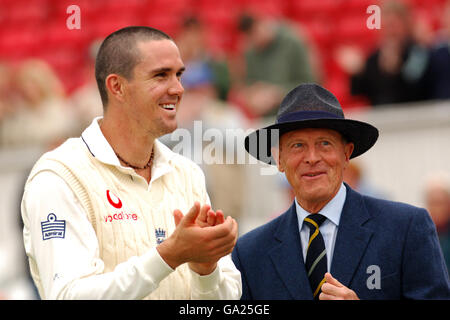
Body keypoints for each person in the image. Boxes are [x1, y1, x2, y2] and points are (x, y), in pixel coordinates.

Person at [21, 26, 241, 300]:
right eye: (161, 75)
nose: (178, 89)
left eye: (178, 75)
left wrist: (206, 270)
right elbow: (70, 295)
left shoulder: (187, 173)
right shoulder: (60, 177)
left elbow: (228, 299)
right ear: (117, 87)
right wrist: (170, 255)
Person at [232, 83, 450, 299]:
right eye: (297, 145)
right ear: (279, 160)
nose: (312, 158)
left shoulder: (406, 228)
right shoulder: (250, 252)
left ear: (347, 154)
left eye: (324, 144)